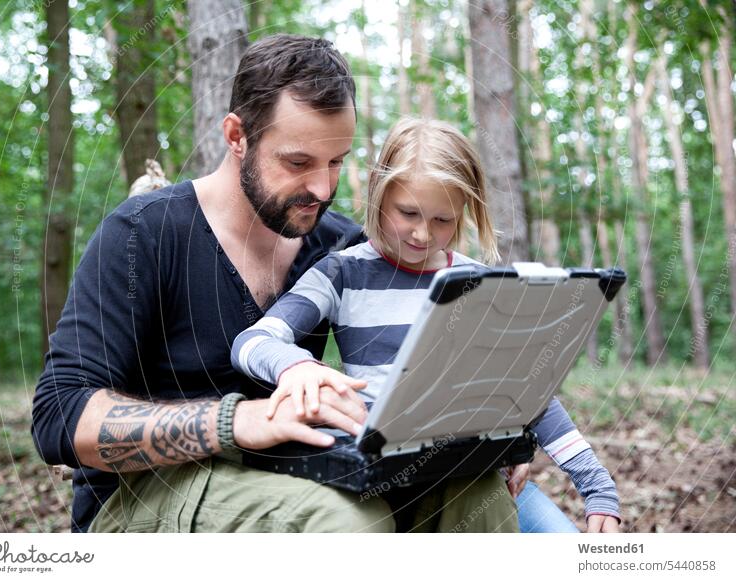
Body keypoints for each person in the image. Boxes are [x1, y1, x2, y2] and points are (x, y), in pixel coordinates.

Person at [31, 34, 518, 533]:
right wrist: (240, 421)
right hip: (149, 493)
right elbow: (59, 416)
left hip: (300, 468)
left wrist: (487, 433)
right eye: (298, 163)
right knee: (346, 523)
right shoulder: (143, 234)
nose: (324, 189)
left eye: (336, 162)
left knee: (474, 488)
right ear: (237, 136)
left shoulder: (340, 246)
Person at [230, 117, 621, 533]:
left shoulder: (482, 283)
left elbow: (530, 390)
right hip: (378, 478)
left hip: (469, 471)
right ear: (380, 194)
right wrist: (296, 366)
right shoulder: (342, 273)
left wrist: (597, 486)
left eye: (443, 220)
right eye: (409, 212)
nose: (423, 234)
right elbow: (253, 340)